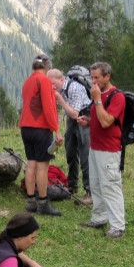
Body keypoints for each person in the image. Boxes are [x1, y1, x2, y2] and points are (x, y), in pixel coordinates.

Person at [80, 62, 126, 238]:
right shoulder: (98, 94)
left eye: (97, 77)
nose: (94, 81)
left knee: (110, 186)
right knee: (96, 184)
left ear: (107, 77)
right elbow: (100, 119)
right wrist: (89, 121)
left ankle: (118, 226)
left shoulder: (117, 96)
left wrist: (97, 99)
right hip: (95, 147)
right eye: (92, 77)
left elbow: (107, 122)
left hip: (109, 149)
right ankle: (99, 218)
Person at [19, 54, 63, 216]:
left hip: (26, 127)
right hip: (40, 128)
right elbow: (49, 108)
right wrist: (57, 130)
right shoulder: (44, 81)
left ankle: (31, 201)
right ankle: (43, 203)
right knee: (43, 167)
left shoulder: (27, 81)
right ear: (47, 67)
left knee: (31, 164)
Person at [47, 68, 93, 205]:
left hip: (84, 116)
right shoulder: (60, 88)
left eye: (53, 83)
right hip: (71, 119)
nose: (52, 87)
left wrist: (59, 98)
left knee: (85, 154)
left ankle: (90, 191)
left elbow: (75, 114)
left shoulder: (74, 88)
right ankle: (72, 185)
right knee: (70, 150)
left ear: (62, 79)